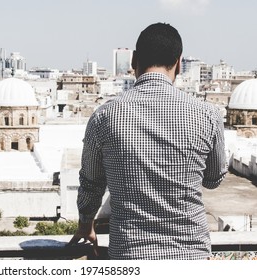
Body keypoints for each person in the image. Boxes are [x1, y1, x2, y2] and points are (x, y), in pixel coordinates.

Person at [68, 22, 228, 260]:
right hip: (191, 257)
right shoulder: (208, 115)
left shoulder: (105, 116)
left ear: (134, 61)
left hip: (130, 256)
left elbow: (91, 184)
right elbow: (214, 180)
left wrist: (85, 224)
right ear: (179, 63)